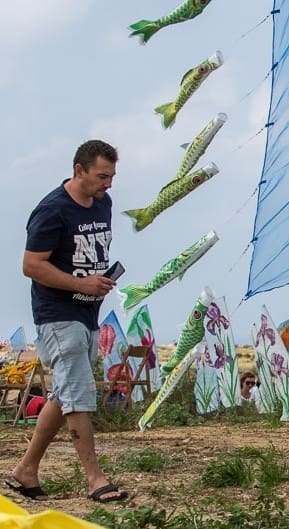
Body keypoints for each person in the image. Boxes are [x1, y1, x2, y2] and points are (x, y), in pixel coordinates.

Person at [7, 140, 128, 503]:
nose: (108, 184)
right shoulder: (51, 211)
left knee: (64, 394)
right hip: (57, 315)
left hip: (87, 312)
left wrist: (99, 281)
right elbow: (31, 265)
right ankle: (96, 479)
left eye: (112, 176)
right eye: (102, 176)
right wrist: (80, 283)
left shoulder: (103, 203)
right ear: (80, 170)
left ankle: (25, 470)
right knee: (79, 395)